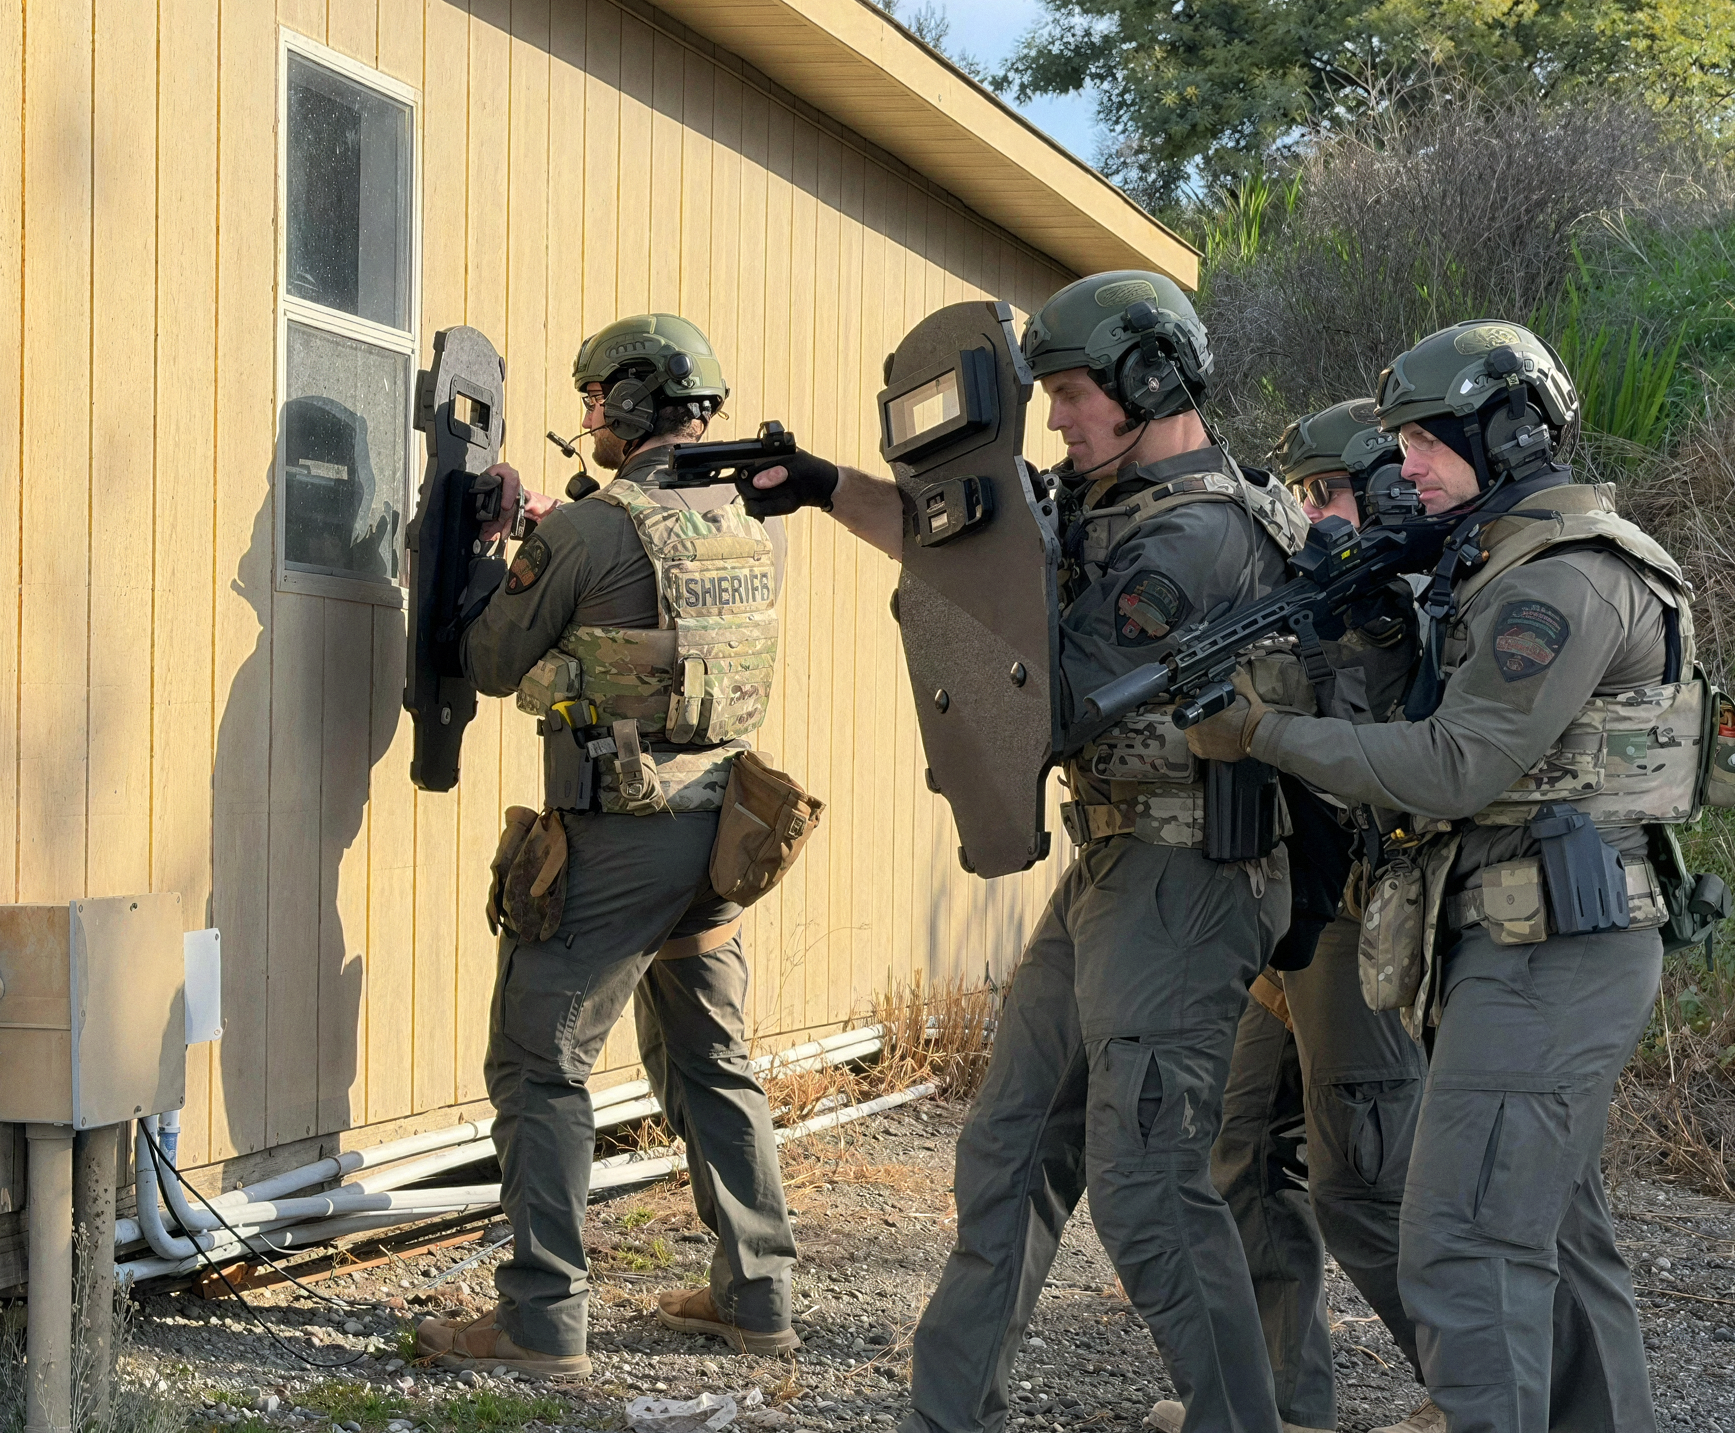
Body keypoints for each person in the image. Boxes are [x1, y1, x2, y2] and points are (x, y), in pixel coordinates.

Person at [745, 271, 1310, 1433]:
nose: (1052, 420)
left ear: (1152, 379)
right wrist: (822, 488)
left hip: (1190, 873)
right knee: (1007, 1148)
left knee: (1148, 1183)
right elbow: (967, 544)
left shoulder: (1200, 534)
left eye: (1069, 395)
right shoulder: (1105, 498)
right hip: (1113, 863)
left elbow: (1057, 691)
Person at [1191, 320, 1702, 1433]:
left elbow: (1452, 765)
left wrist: (1259, 731)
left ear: (1511, 434)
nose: (1403, 469)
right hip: (1525, 942)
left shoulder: (1562, 579)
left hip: (1547, 950)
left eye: (1423, 443)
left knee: (1464, 1242)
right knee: (1558, 1240)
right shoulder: (1493, 570)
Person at [413, 313, 812, 1377]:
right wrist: (555, 530)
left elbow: (494, 658)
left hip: (620, 836)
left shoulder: (591, 530)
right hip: (720, 831)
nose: (586, 416)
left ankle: (541, 1320)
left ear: (632, 404)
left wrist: (508, 548)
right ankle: (756, 1294)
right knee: (714, 1062)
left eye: (595, 399)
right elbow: (647, 600)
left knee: (539, 1064)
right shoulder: (748, 518)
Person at [1182, 400, 1430, 1433]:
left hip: (1363, 917)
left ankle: (1487, 1391)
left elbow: (1393, 744)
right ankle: (1284, 1396)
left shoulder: (1409, 609)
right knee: (1237, 1147)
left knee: (1364, 1186)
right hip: (1289, 912)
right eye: (1303, 497)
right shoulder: (1307, 593)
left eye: (1326, 495)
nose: (1310, 517)